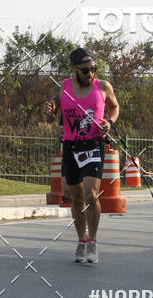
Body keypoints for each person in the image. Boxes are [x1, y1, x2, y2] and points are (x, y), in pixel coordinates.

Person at [46, 48, 119, 264]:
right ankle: (81, 240)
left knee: (91, 193)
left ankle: (93, 242)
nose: (91, 74)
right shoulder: (62, 88)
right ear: (74, 69)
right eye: (86, 70)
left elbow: (114, 107)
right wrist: (49, 113)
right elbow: (52, 116)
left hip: (94, 144)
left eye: (94, 69)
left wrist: (110, 122)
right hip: (70, 146)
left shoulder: (103, 87)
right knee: (75, 196)